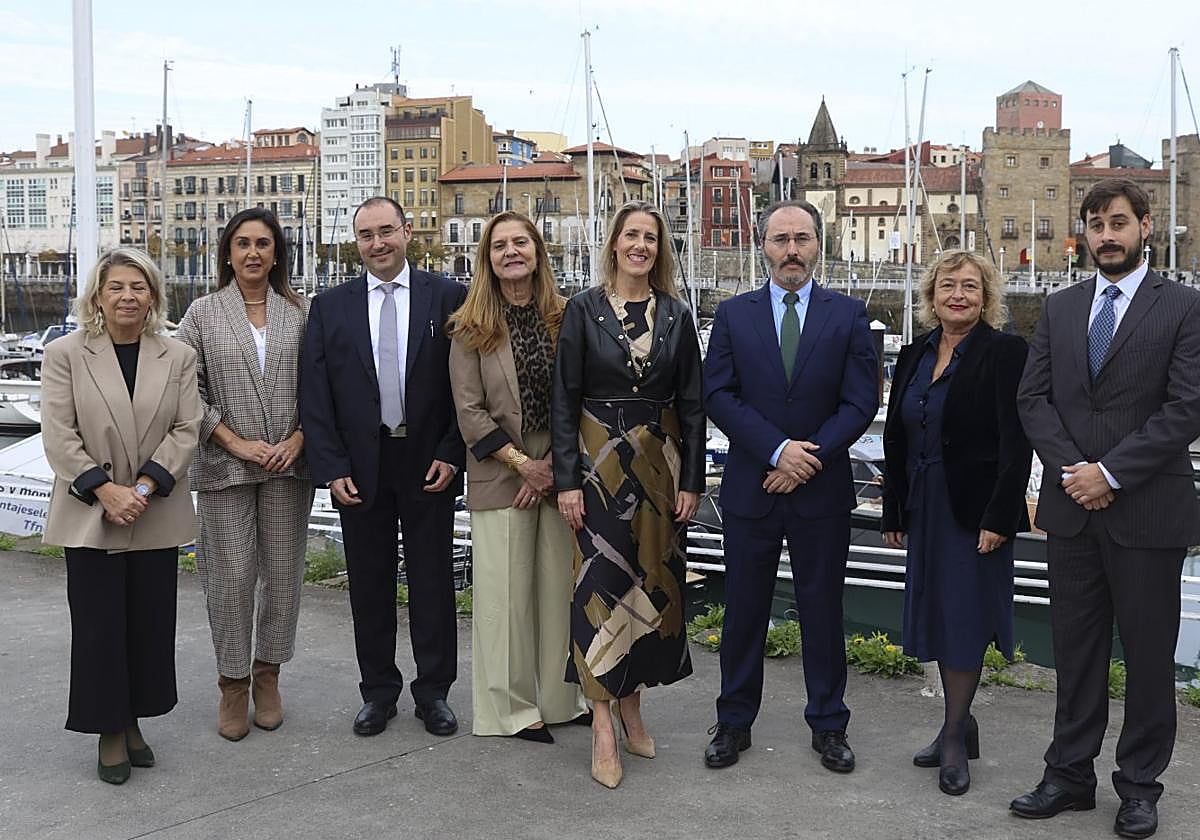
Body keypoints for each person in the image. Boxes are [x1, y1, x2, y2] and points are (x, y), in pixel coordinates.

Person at [1013, 178, 1200, 838]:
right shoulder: (1061, 309)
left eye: (1118, 222)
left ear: (1145, 226)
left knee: (1149, 657)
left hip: (1148, 511)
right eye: (1094, 224)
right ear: (1084, 234)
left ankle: (1141, 786)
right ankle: (1069, 775)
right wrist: (1075, 472)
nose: (1106, 235)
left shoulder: (1183, 307)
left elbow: (1186, 408)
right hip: (1072, 510)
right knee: (1077, 651)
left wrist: (1111, 473)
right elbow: (1033, 399)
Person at [702, 199, 878, 774]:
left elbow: (861, 401)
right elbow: (719, 395)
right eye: (781, 239)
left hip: (821, 490)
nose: (792, 250)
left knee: (822, 609)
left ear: (818, 245)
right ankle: (733, 721)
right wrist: (778, 451)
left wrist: (809, 457)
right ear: (763, 246)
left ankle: (829, 724)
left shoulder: (849, 315)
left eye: (802, 238)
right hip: (754, 486)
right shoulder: (733, 315)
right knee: (744, 609)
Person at [551, 200, 705, 788]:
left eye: (651, 238)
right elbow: (564, 401)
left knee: (652, 583)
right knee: (600, 585)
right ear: (613, 244)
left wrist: (692, 480)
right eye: (631, 235)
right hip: (598, 467)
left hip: (661, 468)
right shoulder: (583, 311)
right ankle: (602, 726)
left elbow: (693, 405)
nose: (641, 245)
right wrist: (567, 480)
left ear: (660, 250)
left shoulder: (676, 314)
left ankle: (634, 703)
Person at [300, 197, 467, 737]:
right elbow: (316, 396)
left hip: (428, 463)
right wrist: (330, 467)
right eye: (366, 236)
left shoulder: (449, 297)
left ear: (407, 231)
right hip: (360, 466)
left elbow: (466, 388)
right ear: (358, 243)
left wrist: (452, 451)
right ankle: (377, 692)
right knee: (369, 584)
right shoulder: (330, 307)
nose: (377, 244)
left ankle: (434, 693)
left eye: (386, 232)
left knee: (432, 581)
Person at [40, 248, 201, 784]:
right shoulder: (65, 353)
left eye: (139, 287)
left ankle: (134, 719)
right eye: (117, 287)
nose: (128, 296)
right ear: (98, 297)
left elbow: (187, 428)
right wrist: (106, 490)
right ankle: (110, 729)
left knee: (149, 626)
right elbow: (59, 434)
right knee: (99, 627)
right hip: (91, 513)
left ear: (153, 296)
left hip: (154, 509)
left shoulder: (175, 356)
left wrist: (146, 485)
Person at [881, 251, 1032, 796]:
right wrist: (894, 508)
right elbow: (896, 437)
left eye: (971, 286)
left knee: (965, 616)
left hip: (973, 510)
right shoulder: (913, 353)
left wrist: (1000, 517)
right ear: (932, 295)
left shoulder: (1006, 352)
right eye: (948, 285)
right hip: (923, 502)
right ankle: (960, 723)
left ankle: (951, 737)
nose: (958, 295)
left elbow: (1018, 443)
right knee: (938, 612)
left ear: (987, 296)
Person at [448, 212, 588, 743]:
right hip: (499, 467)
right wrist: (524, 465)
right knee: (504, 596)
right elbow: (469, 410)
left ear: (537, 251)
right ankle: (508, 709)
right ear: (489, 256)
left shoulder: (567, 317)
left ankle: (558, 698)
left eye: (521, 242)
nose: (511, 252)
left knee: (557, 590)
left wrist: (550, 464)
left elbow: (578, 396)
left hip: (560, 466)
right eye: (500, 245)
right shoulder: (470, 326)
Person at [176, 208, 314, 742]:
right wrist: (234, 442)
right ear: (227, 254)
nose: (252, 253)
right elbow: (186, 389)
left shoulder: (301, 314)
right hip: (224, 466)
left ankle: (268, 674)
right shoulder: (202, 315)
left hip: (287, 465)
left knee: (281, 578)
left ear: (277, 253)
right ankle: (232, 682)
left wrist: (297, 439)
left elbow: (320, 388)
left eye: (263, 243)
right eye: (242, 244)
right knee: (230, 579)